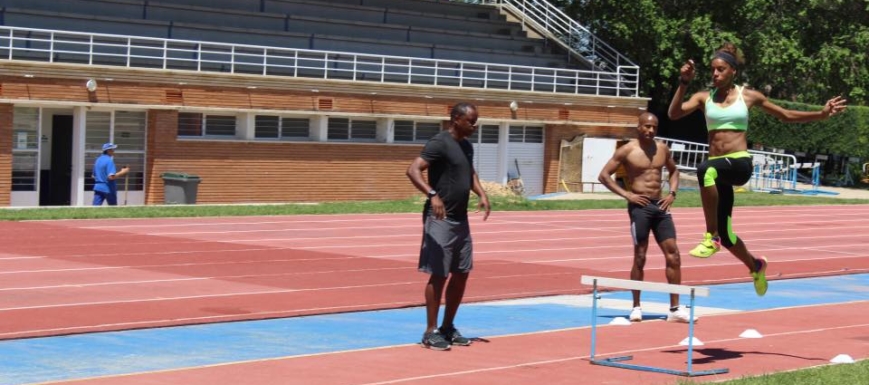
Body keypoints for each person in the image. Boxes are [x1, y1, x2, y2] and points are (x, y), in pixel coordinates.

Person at [667, 42, 847, 296]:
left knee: (705, 170)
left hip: (739, 163)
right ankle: (756, 265)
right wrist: (683, 82)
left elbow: (785, 115)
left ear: (733, 72)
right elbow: (673, 114)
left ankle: (711, 236)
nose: (715, 74)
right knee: (730, 236)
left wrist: (821, 114)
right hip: (719, 172)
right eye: (712, 70)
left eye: (720, 70)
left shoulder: (748, 96)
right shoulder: (703, 97)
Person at [406, 102, 491, 351]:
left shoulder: (466, 145)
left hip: (461, 219)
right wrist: (433, 194)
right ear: (455, 119)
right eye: (471, 121)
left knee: (461, 273)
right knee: (439, 274)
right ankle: (430, 331)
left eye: (476, 121)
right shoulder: (439, 142)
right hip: (440, 220)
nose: (475, 126)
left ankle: (448, 327)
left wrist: (481, 193)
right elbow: (413, 170)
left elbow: (470, 172)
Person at [598, 112, 692, 323]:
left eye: (654, 127)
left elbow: (674, 171)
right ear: (638, 127)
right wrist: (628, 194)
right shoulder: (627, 150)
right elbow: (604, 175)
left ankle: (675, 308)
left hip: (660, 207)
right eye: (646, 126)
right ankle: (636, 306)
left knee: (674, 255)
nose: (650, 130)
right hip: (639, 208)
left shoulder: (662, 149)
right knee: (640, 256)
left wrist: (672, 194)